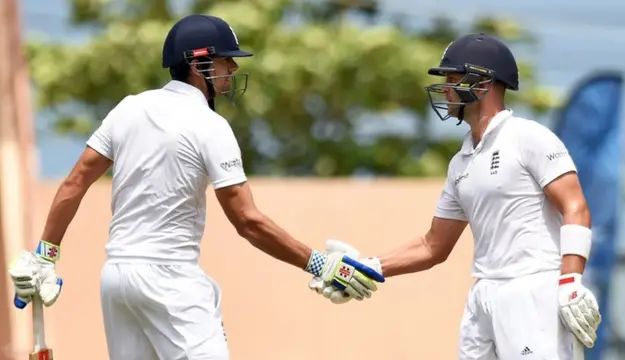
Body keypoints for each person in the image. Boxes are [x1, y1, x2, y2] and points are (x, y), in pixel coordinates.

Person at [8, 14, 384, 360]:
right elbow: (247, 221)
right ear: (199, 63)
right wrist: (319, 264)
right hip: (170, 281)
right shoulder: (210, 126)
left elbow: (76, 181)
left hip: (117, 280)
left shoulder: (128, 108)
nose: (233, 68)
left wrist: (45, 254)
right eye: (226, 60)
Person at [313, 33, 602, 359]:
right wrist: (369, 266)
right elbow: (433, 246)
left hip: (533, 290)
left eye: (452, 79)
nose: (445, 89)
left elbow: (576, 207)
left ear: (482, 83)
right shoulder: (461, 162)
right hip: (483, 294)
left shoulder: (528, 137)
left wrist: (570, 281)